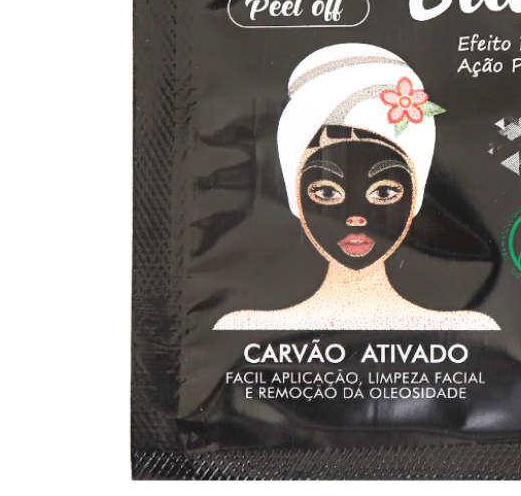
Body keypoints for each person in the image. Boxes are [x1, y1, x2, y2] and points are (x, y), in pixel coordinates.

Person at [214, 43, 499, 331]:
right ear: (294, 193)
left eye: (384, 192)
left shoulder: (470, 330)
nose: (356, 217)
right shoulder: (242, 329)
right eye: (327, 192)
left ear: (416, 195)